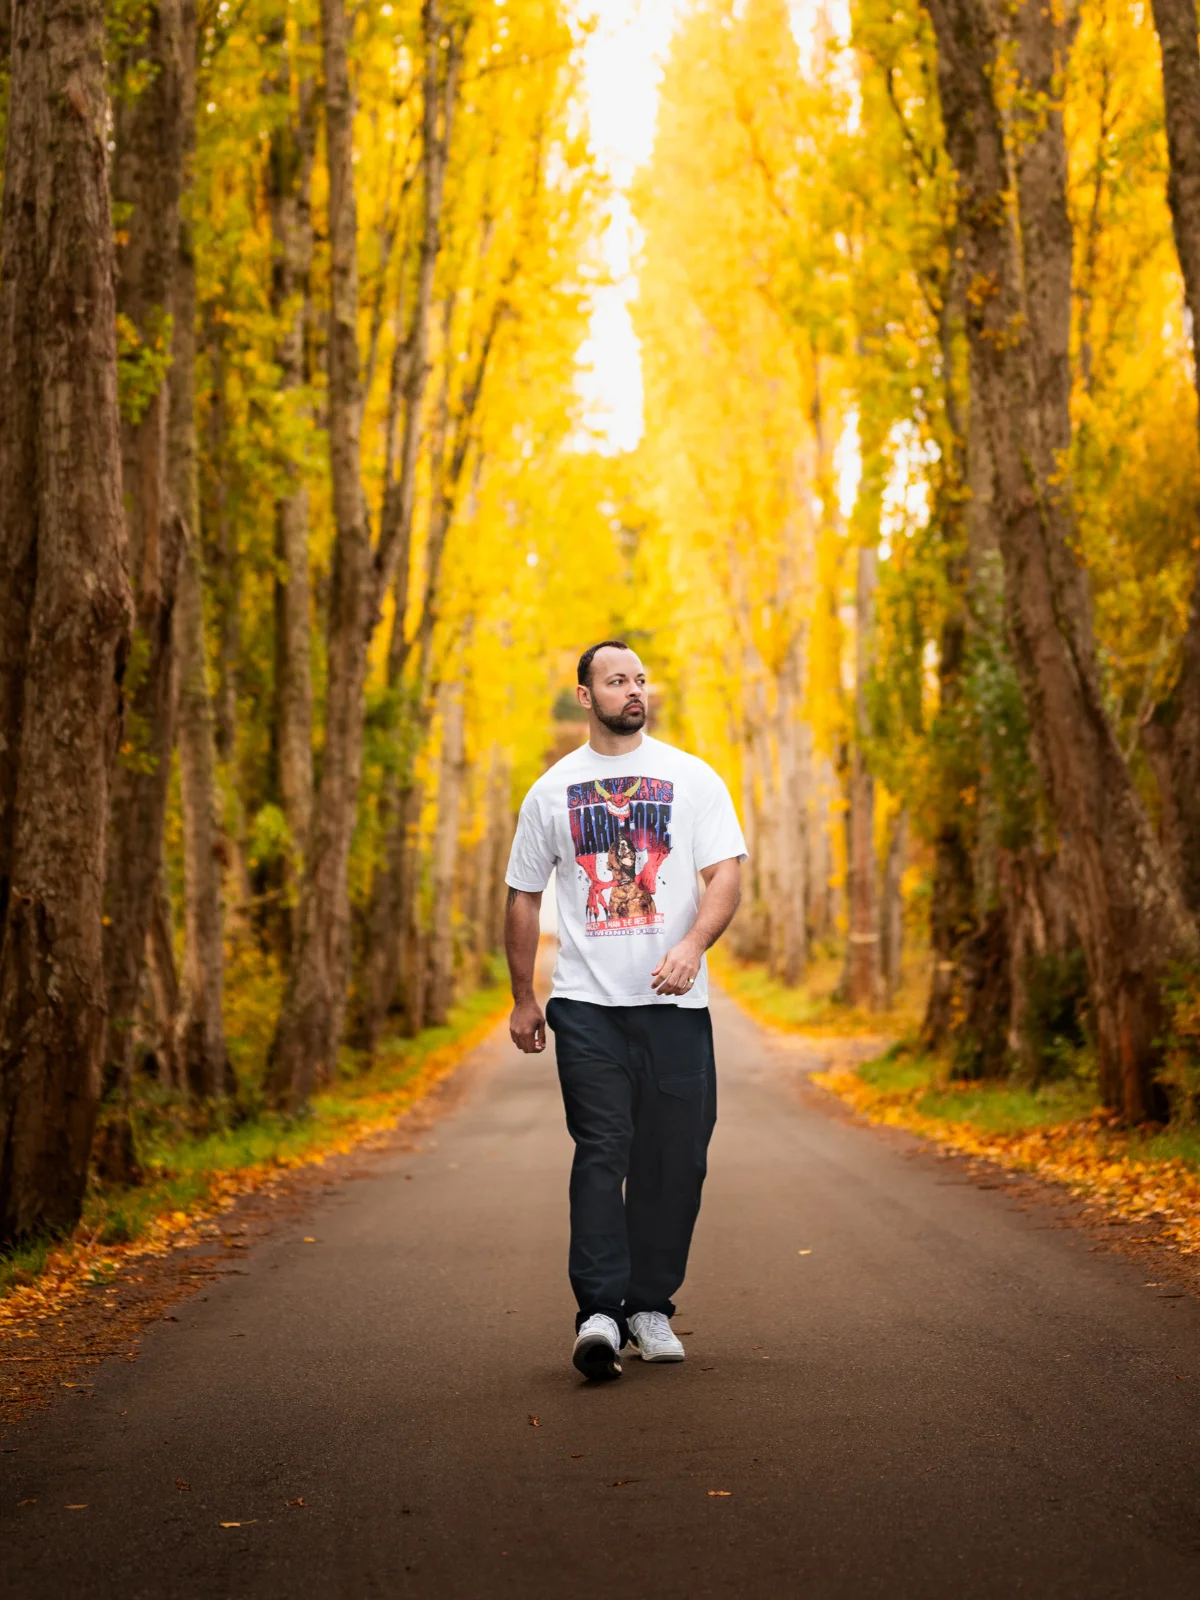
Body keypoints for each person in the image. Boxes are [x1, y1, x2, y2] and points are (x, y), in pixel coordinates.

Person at [504, 640, 746, 1380]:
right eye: (616, 681)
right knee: (603, 1150)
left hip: (675, 1006)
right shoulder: (550, 791)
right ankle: (600, 1314)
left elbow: (724, 873)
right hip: (587, 1007)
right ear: (586, 696)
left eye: (639, 680)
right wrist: (523, 996)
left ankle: (650, 1308)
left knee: (676, 1160)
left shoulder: (692, 778)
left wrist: (694, 946)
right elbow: (523, 894)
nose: (633, 691)